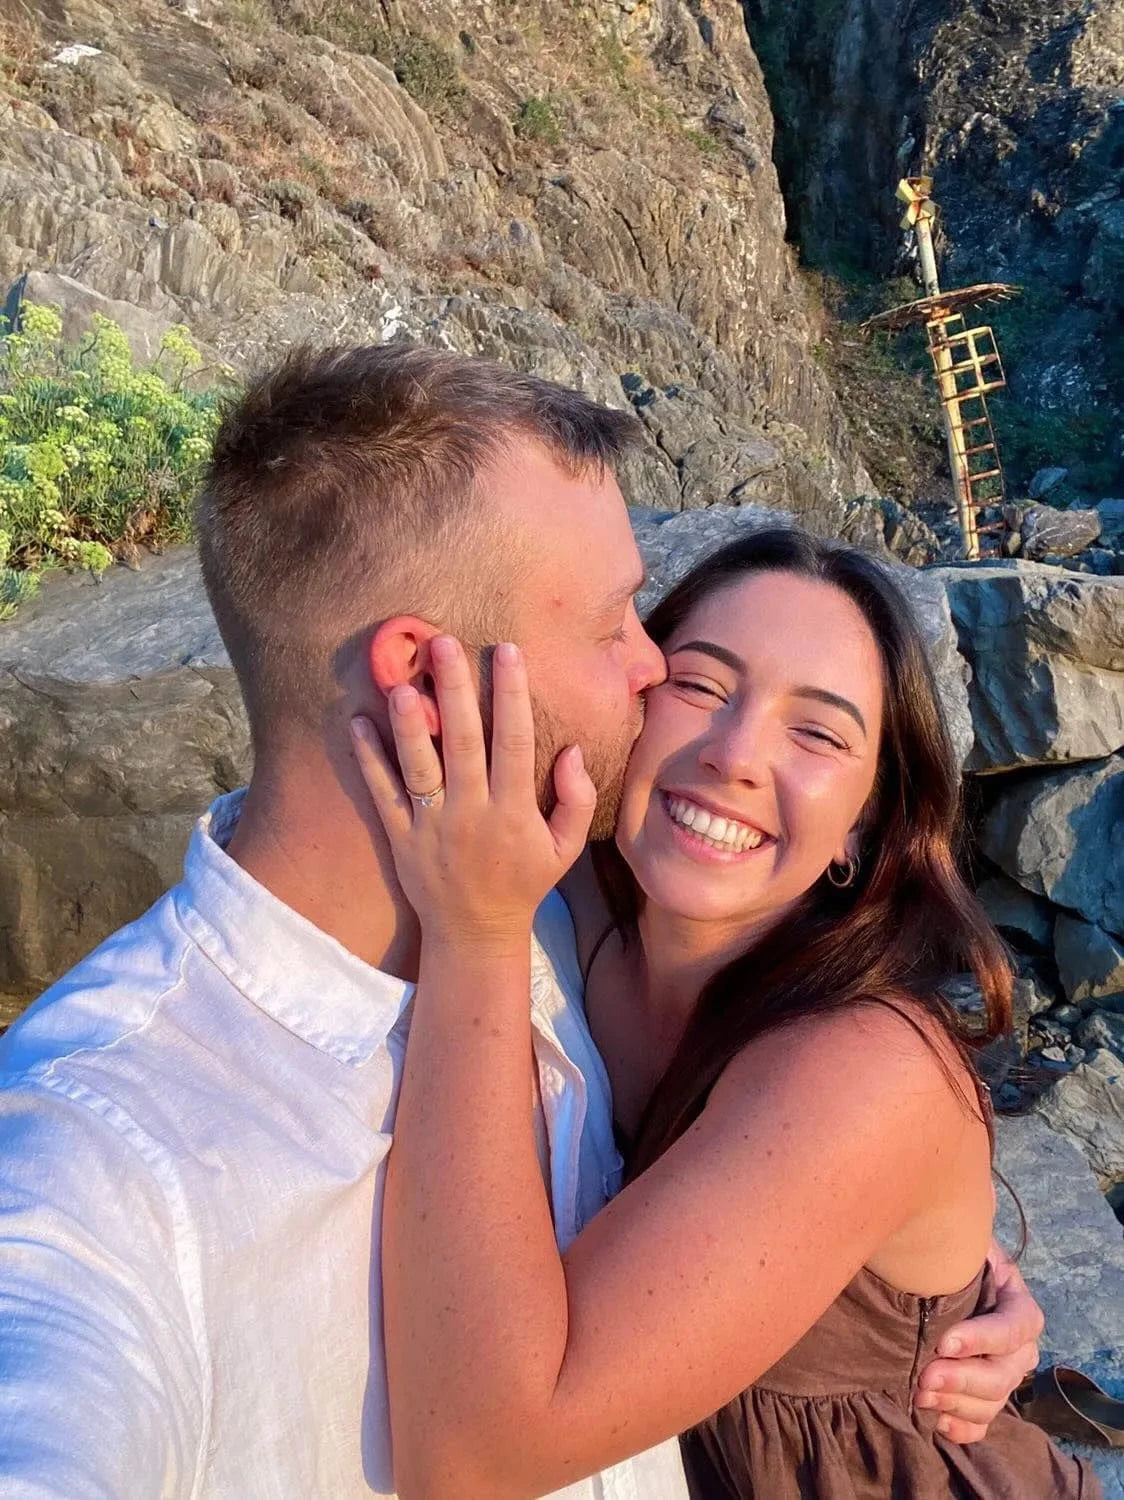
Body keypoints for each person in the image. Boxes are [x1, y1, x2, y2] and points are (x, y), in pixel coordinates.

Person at [0, 347, 1037, 1497]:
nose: (653, 679)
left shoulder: (534, 908)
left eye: (817, 732)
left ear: (863, 822)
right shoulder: (100, 1162)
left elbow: (835, 1163)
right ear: (419, 678)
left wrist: (926, 1264)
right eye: (623, 632)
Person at [351, 526, 1095, 1499]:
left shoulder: (865, 1065)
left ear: (860, 828)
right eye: (699, 685)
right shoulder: (568, 900)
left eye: (818, 733)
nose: (734, 756)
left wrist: (475, 935)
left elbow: (471, 1464)